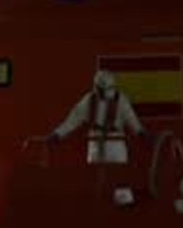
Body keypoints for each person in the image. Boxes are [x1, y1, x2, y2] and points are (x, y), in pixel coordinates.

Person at [48, 70, 150, 205]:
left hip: (116, 143)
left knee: (120, 179)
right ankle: (96, 208)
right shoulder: (88, 101)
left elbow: (131, 119)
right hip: (95, 144)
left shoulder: (121, 100)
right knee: (95, 179)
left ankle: (125, 210)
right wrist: (58, 134)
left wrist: (141, 133)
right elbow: (73, 120)